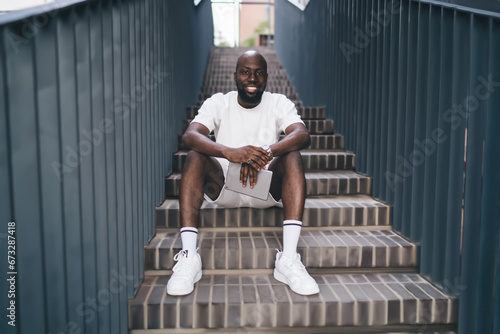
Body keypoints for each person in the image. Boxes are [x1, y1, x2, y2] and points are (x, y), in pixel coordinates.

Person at [166, 50, 319, 296]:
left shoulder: (278, 102)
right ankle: (188, 258)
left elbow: (302, 135)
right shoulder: (219, 102)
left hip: (264, 188)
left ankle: (288, 260)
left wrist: (265, 152)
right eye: (246, 72)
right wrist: (230, 152)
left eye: (259, 73)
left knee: (292, 155)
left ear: (266, 77)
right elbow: (190, 136)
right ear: (235, 75)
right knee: (195, 155)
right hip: (224, 187)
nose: (252, 78)